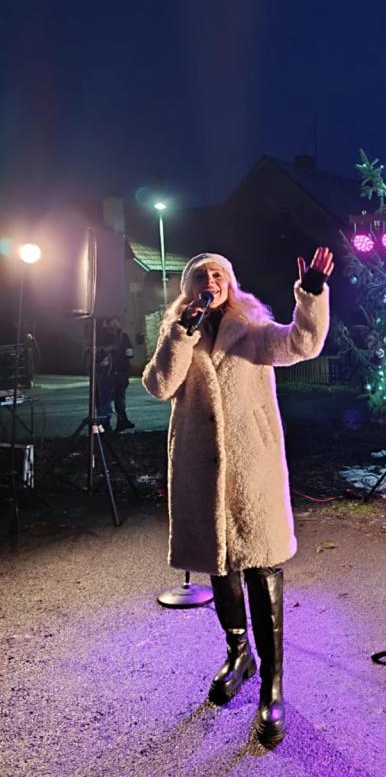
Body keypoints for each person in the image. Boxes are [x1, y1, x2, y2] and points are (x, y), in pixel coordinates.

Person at [142, 247, 333, 744]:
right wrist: (182, 331)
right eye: (203, 276)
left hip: (252, 470)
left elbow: (302, 343)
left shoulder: (251, 329)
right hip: (200, 471)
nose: (212, 280)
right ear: (190, 288)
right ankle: (238, 653)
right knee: (220, 565)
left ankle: (272, 685)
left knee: (262, 567)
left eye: (219, 274)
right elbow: (159, 385)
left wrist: (311, 296)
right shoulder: (177, 332)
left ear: (230, 283)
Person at [106, 318, 135, 431]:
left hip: (122, 371)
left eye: (116, 321)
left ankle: (122, 421)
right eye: (112, 321)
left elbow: (129, 350)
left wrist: (130, 352)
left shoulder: (124, 336)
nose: (115, 323)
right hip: (109, 372)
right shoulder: (104, 336)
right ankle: (105, 424)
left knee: (120, 398)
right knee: (107, 399)